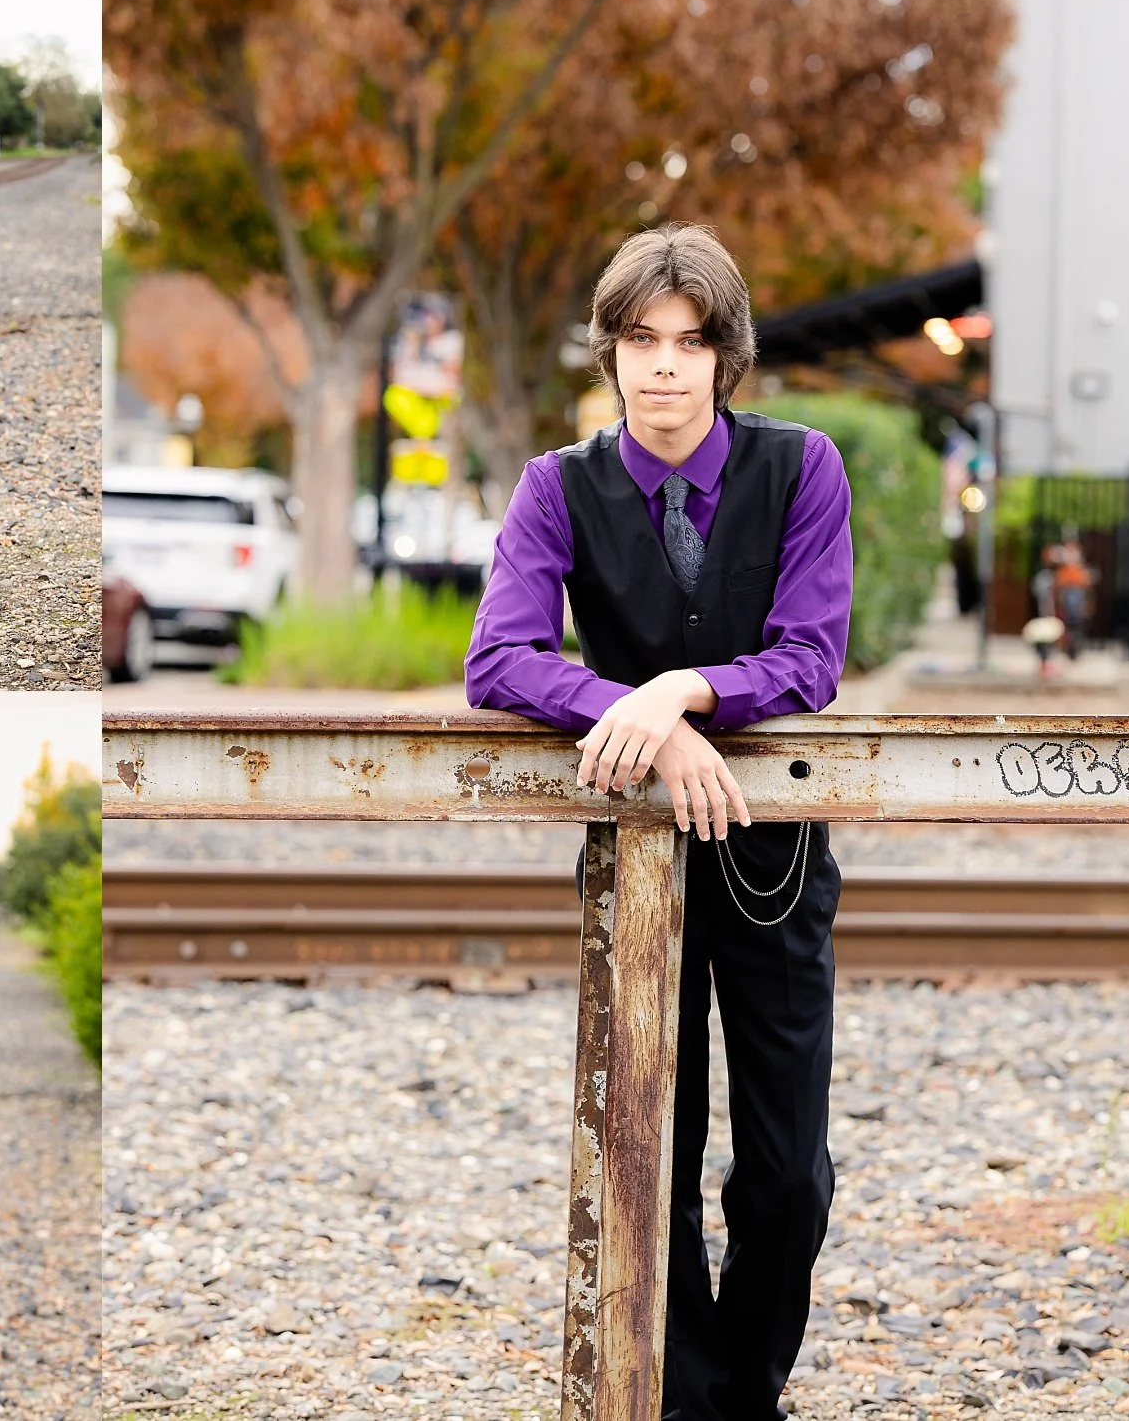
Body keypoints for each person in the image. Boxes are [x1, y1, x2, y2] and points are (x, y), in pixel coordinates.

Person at [465, 222, 852, 1421]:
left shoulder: (802, 467)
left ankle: (748, 1383)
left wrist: (682, 691)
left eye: (690, 342)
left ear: (725, 356)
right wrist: (630, 717)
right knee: (651, 1147)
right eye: (641, 340)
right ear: (610, 352)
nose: (665, 367)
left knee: (785, 1170)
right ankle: (688, 1399)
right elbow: (496, 661)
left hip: (772, 859)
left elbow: (810, 655)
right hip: (630, 849)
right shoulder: (557, 486)